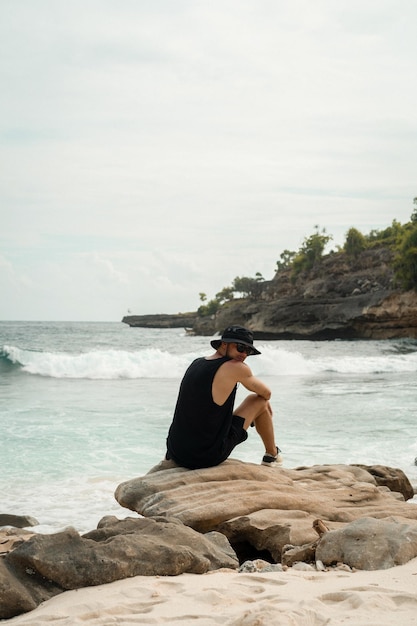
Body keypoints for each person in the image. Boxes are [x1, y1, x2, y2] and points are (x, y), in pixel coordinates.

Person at [165, 325, 282, 470]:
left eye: (248, 350)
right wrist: (263, 405)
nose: (244, 354)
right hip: (205, 456)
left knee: (259, 400)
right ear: (224, 344)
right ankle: (272, 454)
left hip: (176, 452)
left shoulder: (196, 363)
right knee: (259, 400)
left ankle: (271, 453)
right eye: (240, 347)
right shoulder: (236, 367)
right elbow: (267, 394)